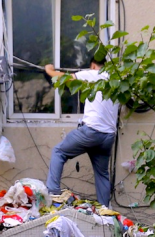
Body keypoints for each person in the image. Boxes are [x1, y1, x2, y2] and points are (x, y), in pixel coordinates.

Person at [44, 56, 119, 207]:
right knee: (102, 174)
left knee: (59, 152)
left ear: (93, 65)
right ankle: (105, 211)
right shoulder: (115, 81)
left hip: (91, 132)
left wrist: (49, 70)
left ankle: (52, 192)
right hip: (108, 136)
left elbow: (65, 78)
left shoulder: (94, 74)